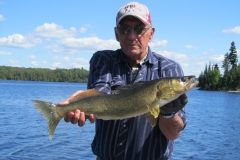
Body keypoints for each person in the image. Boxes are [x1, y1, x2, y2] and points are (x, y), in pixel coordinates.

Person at [59, 2, 188, 160]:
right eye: (125, 29)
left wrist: (169, 114)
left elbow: (172, 134)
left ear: (151, 33)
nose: (132, 36)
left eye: (139, 29)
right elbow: (100, 95)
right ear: (116, 34)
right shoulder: (104, 60)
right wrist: (81, 100)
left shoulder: (169, 69)